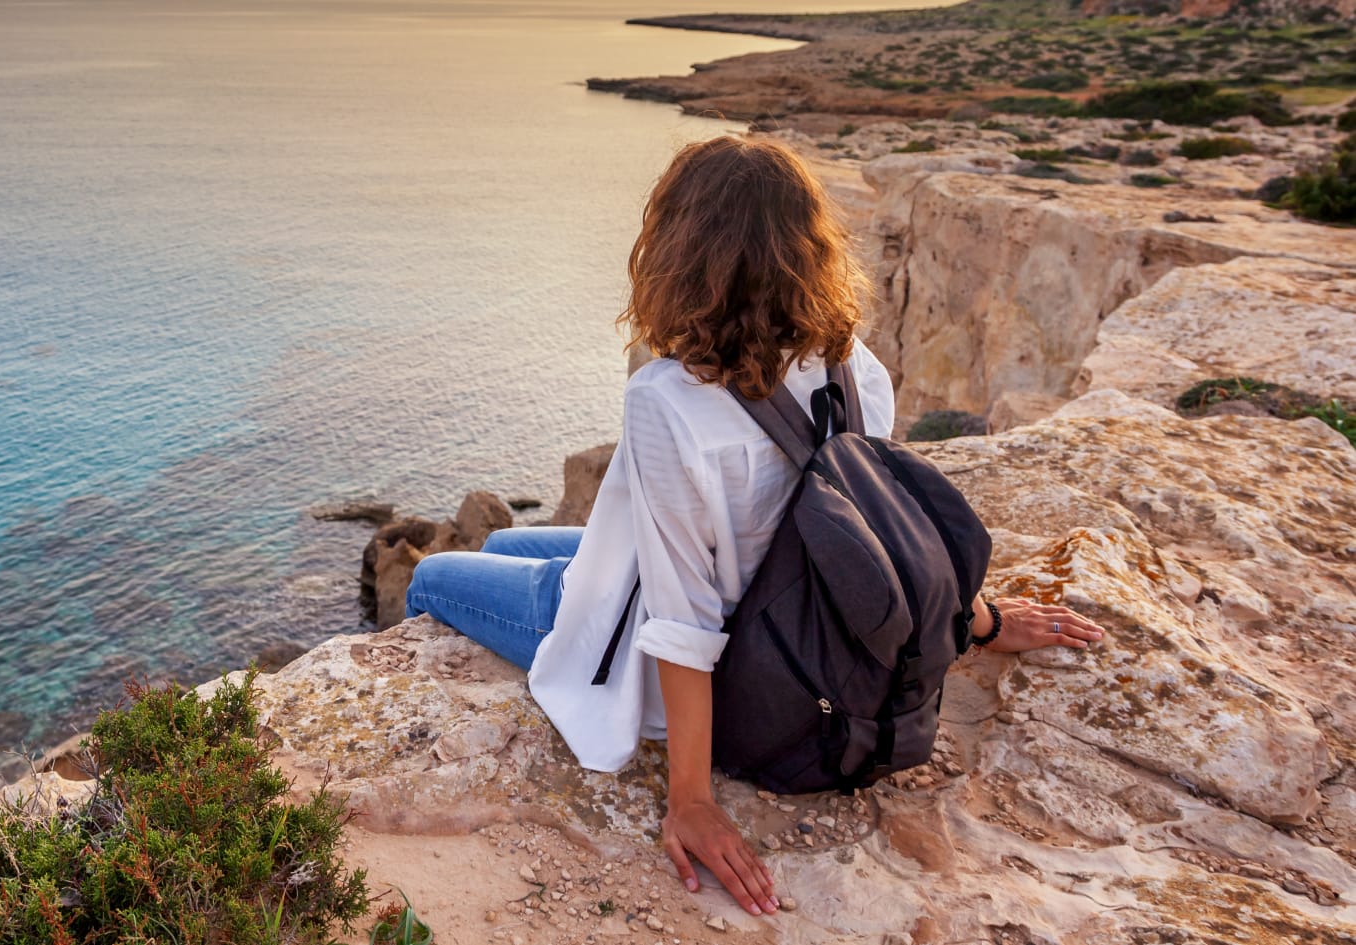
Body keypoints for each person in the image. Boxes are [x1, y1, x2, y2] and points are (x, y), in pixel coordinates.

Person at [403, 135, 1107, 918]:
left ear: (678, 252)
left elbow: (682, 618)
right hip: (784, 610)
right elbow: (881, 524)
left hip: (723, 661)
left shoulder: (668, 399)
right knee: (504, 542)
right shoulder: (853, 368)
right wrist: (982, 618)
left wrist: (692, 797)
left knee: (433, 576)